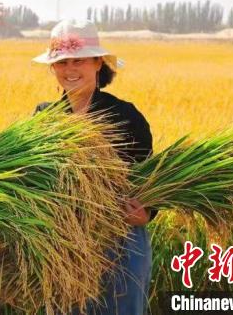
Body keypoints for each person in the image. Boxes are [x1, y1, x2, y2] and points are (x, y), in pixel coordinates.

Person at [33, 19, 154, 315]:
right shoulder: (43, 118)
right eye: (61, 62)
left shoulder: (125, 116)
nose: (70, 70)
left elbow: (152, 180)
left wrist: (147, 212)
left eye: (79, 61)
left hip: (121, 239)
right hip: (64, 240)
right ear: (53, 68)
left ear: (98, 63)